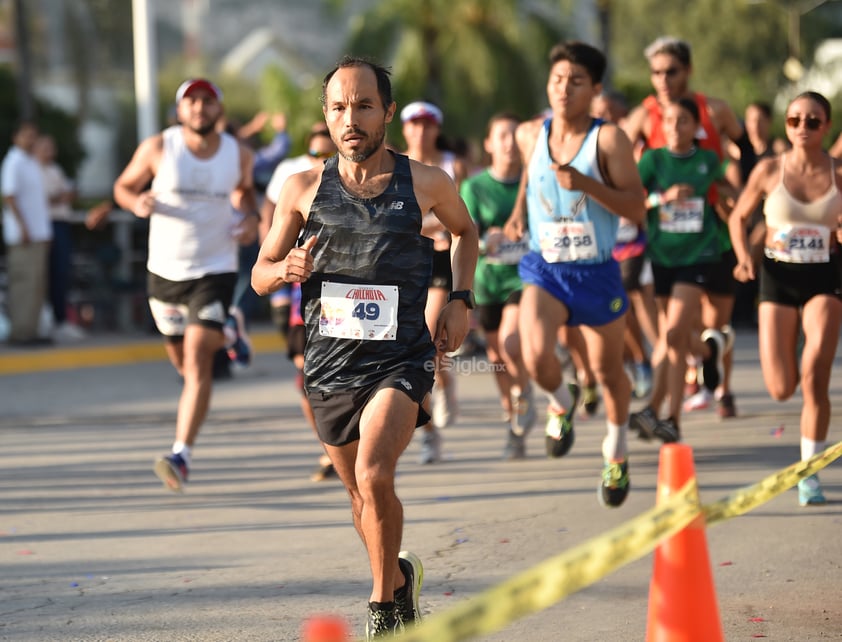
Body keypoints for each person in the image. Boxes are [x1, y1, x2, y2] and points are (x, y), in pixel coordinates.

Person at [251, 56, 478, 639]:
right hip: (329, 364)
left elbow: (465, 231)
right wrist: (284, 269)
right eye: (337, 108)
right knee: (359, 497)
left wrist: (460, 297)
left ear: (388, 112)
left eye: (363, 105)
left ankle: (381, 611)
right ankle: (399, 579)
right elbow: (259, 273)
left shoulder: (425, 182)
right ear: (326, 115)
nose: (349, 119)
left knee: (376, 475)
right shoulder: (302, 189)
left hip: (399, 358)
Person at [504, 41, 645, 508]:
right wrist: (520, 210)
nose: (564, 88)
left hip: (596, 271)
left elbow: (637, 208)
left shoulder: (609, 140)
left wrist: (584, 183)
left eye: (577, 81)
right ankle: (562, 402)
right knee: (534, 352)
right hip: (546, 267)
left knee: (609, 373)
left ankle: (616, 449)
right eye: (558, 79)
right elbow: (531, 170)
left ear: (596, 89)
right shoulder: (529, 134)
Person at [113, 78, 259, 492]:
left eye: (207, 102)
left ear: (218, 110)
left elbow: (245, 193)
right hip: (164, 272)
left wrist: (248, 219)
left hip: (215, 269)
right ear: (180, 111)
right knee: (181, 363)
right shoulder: (158, 148)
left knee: (197, 362)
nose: (199, 108)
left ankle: (181, 455)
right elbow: (122, 187)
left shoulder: (238, 154)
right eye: (191, 102)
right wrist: (134, 201)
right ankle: (229, 331)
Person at [728, 91, 842, 506]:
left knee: (816, 374)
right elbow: (738, 217)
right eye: (795, 121)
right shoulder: (769, 170)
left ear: (826, 127)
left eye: (813, 121)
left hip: (823, 278)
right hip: (777, 278)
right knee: (780, 387)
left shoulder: (838, 172)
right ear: (786, 126)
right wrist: (743, 257)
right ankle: (795, 344)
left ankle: (809, 471)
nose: (802, 129)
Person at [624, 35, 743, 420]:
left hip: (712, 229)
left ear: (687, 71)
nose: (662, 79)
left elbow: (748, 155)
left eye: (670, 71)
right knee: (679, 324)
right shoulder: (643, 116)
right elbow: (619, 166)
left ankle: (719, 386)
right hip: (664, 237)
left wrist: (743, 199)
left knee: (714, 318)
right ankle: (698, 367)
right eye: (655, 72)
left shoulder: (715, 110)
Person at [261, 123, 338, 482]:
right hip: (304, 299)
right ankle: (329, 449)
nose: (322, 161)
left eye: (329, 154)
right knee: (306, 376)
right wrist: (277, 266)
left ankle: (349, 449)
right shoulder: (297, 183)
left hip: (361, 303)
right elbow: (265, 259)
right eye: (316, 155)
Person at [459, 111, 534, 459]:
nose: (509, 142)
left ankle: (524, 395)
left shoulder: (532, 183)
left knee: (510, 341)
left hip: (525, 277)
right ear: (489, 144)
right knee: (497, 358)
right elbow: (464, 229)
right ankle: (513, 420)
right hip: (487, 282)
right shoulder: (474, 187)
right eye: (502, 135)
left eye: (515, 135)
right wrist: (482, 236)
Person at [400, 99, 469, 464]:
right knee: (411, 351)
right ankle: (429, 435)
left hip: (440, 259)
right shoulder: (394, 165)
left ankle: (444, 384)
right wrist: (433, 225)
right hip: (405, 261)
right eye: (414, 123)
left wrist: (443, 229)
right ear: (405, 128)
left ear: (436, 129)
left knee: (430, 336)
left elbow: (464, 218)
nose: (421, 130)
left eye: (427, 124)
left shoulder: (450, 166)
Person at [1, 120, 53, 346]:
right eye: (27, 135)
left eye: (34, 135)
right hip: (24, 236)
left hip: (38, 234)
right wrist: (22, 227)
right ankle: (21, 333)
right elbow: (9, 196)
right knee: (23, 285)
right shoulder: (13, 162)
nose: (31, 139)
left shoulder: (31, 161)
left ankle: (31, 330)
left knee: (36, 285)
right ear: (16, 137)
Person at [34, 134, 86, 342]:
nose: (50, 150)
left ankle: (61, 320)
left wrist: (66, 195)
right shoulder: (33, 171)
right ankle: (45, 321)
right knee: (45, 275)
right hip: (46, 226)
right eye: (45, 146)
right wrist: (61, 196)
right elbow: (42, 200)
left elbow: (64, 194)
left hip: (62, 224)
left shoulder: (55, 169)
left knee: (61, 273)